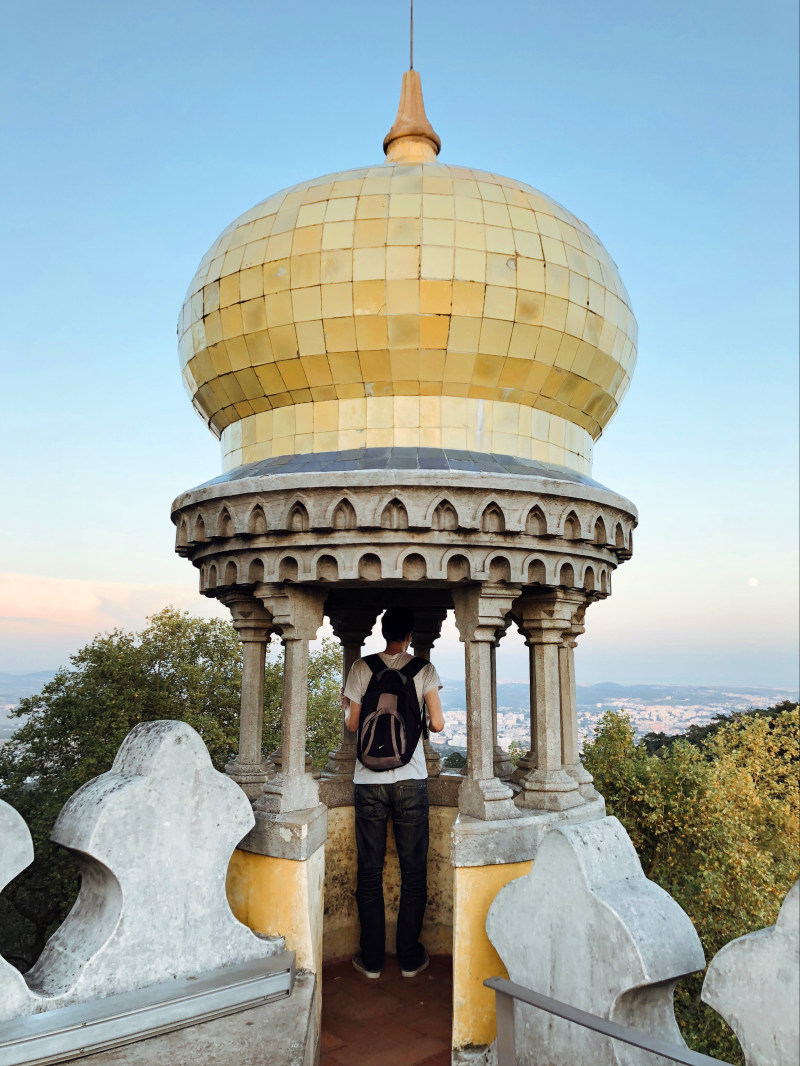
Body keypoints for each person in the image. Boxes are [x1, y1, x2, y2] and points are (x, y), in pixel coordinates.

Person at [343, 606, 444, 980]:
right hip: (410, 777)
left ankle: (370, 960)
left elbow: (353, 724)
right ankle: (409, 958)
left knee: (369, 872)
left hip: (367, 780)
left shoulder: (361, 668)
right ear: (410, 635)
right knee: (413, 871)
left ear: (382, 631)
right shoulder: (423, 670)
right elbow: (436, 721)